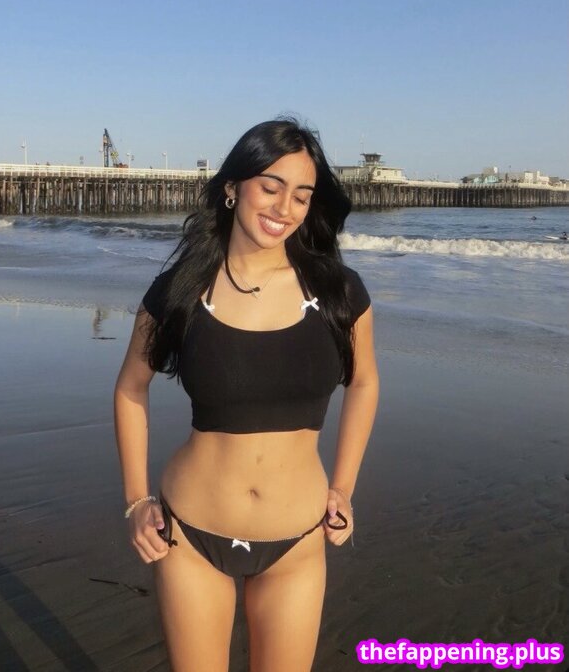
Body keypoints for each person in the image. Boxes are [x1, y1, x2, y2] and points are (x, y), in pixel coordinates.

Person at [114, 119, 379, 672]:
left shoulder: (338, 292)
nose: (285, 207)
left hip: (297, 541)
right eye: (271, 187)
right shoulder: (182, 289)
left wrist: (344, 488)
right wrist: (137, 500)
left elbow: (364, 383)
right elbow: (131, 386)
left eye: (301, 195)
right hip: (191, 534)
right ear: (234, 187)